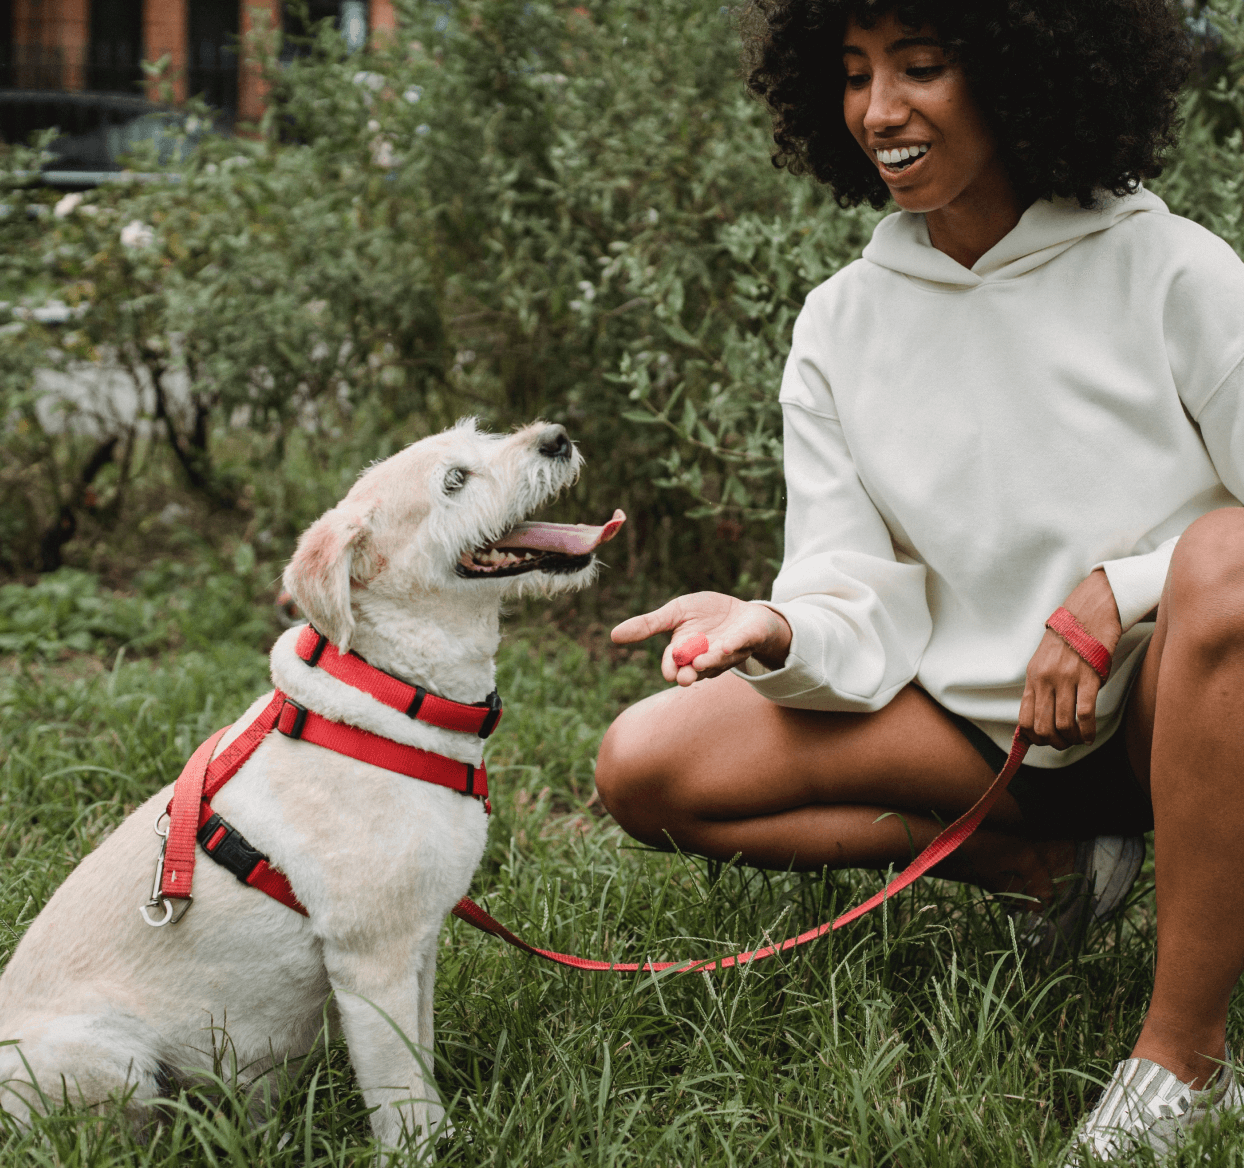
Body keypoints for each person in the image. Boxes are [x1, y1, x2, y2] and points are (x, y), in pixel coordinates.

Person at [592, 0, 1244, 1159]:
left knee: (1223, 561)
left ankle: (1181, 1058)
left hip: (1171, 717)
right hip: (978, 740)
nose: (877, 111)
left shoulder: (1175, 271)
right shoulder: (840, 323)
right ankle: (1049, 871)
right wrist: (778, 623)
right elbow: (852, 581)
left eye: (920, 67)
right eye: (851, 74)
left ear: (1023, 74)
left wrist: (1121, 592)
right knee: (644, 766)